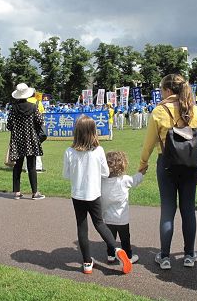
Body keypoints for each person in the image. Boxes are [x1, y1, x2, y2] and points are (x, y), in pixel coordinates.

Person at [138, 74, 197, 270]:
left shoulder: (159, 111)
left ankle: (165, 256)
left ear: (168, 90)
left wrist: (143, 164)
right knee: (188, 210)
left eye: (161, 89)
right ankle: (189, 255)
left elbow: (148, 144)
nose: (160, 92)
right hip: (191, 166)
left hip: (166, 164)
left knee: (167, 211)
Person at [63, 115, 132, 275]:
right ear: (93, 132)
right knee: (99, 223)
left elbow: (67, 175)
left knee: (82, 226)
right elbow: (105, 172)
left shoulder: (69, 152)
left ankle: (87, 263)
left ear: (76, 132)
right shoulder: (99, 151)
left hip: (77, 194)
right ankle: (116, 249)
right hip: (94, 194)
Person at [101, 151, 144, 265]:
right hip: (122, 219)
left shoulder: (103, 181)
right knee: (125, 239)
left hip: (108, 217)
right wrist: (141, 173)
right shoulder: (124, 179)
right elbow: (135, 180)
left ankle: (110, 255)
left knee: (110, 238)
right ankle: (128, 256)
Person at [7, 83, 45, 200]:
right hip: (30, 139)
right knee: (31, 166)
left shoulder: (13, 109)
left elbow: (9, 125)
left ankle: (17, 192)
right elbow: (40, 121)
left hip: (17, 140)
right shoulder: (33, 107)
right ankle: (34, 193)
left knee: (17, 166)